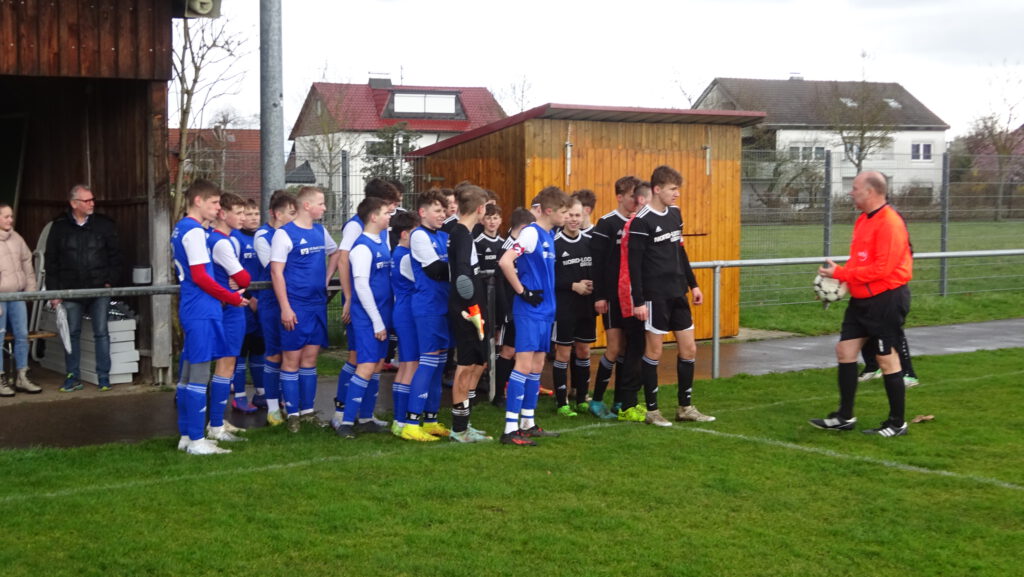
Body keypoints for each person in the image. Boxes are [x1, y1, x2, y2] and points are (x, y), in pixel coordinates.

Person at [810, 171, 913, 437]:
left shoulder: (890, 222)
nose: (851, 192)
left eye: (855, 188)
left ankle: (897, 423)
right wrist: (837, 284)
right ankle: (844, 416)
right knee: (845, 350)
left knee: (886, 359)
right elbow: (860, 262)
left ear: (870, 191)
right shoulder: (862, 220)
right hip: (862, 300)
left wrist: (841, 274)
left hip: (887, 299)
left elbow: (882, 269)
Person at [627, 165, 715, 426]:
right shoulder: (641, 221)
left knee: (689, 348)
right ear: (657, 189)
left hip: (678, 292)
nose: (677, 194)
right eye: (672, 189)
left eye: (678, 189)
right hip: (655, 296)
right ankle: (652, 411)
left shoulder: (675, 214)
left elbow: (680, 251)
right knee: (654, 351)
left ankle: (685, 407)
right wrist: (638, 301)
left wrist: (693, 284)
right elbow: (634, 265)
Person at [172, 179, 249, 455]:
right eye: (214, 202)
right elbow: (201, 277)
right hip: (201, 309)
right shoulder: (193, 231)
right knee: (198, 375)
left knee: (188, 375)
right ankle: (196, 440)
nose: (218, 208)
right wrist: (232, 297)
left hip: (195, 307)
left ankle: (186, 436)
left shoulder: (184, 228)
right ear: (198, 201)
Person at [497, 186, 570, 446]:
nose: (567, 216)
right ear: (549, 211)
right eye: (563, 211)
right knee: (524, 365)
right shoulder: (531, 233)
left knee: (537, 366)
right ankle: (509, 429)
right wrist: (523, 291)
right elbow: (505, 261)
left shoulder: (549, 235)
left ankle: (528, 422)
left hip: (545, 310)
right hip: (529, 310)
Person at [270, 186, 341, 433]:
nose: (324, 208)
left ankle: (308, 412)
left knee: (310, 360)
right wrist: (285, 307)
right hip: (296, 305)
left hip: (316, 305)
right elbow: (276, 272)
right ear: (307, 206)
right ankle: (292, 415)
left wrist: (326, 278)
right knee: (291, 360)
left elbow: (335, 253)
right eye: (321, 203)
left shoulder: (320, 231)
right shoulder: (284, 234)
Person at [334, 178, 401, 427]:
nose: (390, 214)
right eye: (386, 211)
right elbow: (360, 283)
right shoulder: (361, 243)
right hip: (368, 314)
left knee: (376, 365)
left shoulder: (380, 240)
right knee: (364, 364)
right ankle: (345, 419)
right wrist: (374, 320)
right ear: (373, 215)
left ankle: (366, 416)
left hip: (382, 311)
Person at [45, 184, 122, 392]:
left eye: (92, 199)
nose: (92, 204)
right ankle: (73, 376)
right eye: (87, 201)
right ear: (74, 203)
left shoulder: (104, 225)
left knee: (101, 332)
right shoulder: (59, 227)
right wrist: (55, 292)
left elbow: (116, 256)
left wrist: (109, 281)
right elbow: (51, 262)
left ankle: (104, 377)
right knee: (71, 333)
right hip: (70, 290)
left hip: (99, 289)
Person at [588, 176, 641, 418]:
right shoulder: (607, 223)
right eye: (631, 196)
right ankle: (597, 400)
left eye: (638, 196)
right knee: (614, 347)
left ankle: (621, 400)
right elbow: (597, 264)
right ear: (620, 197)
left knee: (627, 349)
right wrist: (600, 296)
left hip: (631, 297)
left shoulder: (639, 222)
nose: (636, 201)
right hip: (611, 297)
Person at [400, 189, 451, 442]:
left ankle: (430, 420)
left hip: (444, 306)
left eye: (444, 210)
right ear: (422, 212)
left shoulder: (443, 236)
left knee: (439, 365)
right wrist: (463, 269)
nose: (442, 215)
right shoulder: (419, 235)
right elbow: (435, 270)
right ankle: (411, 423)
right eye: (437, 210)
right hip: (428, 307)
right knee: (428, 362)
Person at [446, 184, 492, 443]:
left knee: (478, 363)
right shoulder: (461, 234)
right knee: (465, 366)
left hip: (472, 308)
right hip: (467, 311)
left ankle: (466, 424)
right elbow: (463, 276)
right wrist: (471, 309)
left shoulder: (463, 232)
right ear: (480, 208)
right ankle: (459, 429)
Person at [205, 192, 252, 443]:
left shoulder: (220, 238)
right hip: (229, 308)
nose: (243, 217)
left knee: (224, 365)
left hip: (225, 305)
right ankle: (215, 424)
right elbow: (243, 277)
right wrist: (238, 281)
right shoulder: (222, 242)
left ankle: (217, 421)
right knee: (225, 365)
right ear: (223, 214)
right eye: (239, 212)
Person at [254, 191, 297, 425]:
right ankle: (272, 408)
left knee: (292, 353)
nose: (294, 218)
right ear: (277, 214)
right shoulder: (263, 236)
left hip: (293, 299)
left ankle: (291, 405)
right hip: (271, 302)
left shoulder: (294, 232)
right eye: (291, 213)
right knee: (274, 353)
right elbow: (276, 267)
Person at [551, 196, 596, 417]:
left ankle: (582, 398)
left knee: (584, 350)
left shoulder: (589, 242)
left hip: (586, 307)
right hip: (564, 307)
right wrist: (572, 285)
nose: (574, 219)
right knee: (563, 352)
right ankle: (562, 402)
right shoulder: (555, 243)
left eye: (577, 215)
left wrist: (593, 284)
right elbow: (549, 279)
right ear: (563, 216)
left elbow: (597, 270)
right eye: (569, 215)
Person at [491, 208, 534, 408]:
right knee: (508, 350)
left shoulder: (521, 247)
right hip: (511, 308)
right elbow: (500, 284)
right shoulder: (507, 248)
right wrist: (505, 312)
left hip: (523, 306)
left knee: (520, 350)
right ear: (524, 228)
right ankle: (498, 394)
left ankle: (513, 389)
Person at [0, 204, 42, 396]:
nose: (11, 220)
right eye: (6, 216)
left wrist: (30, 291)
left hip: (17, 295)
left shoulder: (17, 238)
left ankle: (22, 376)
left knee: (22, 335)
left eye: (11, 216)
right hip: (1, 297)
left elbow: (27, 263)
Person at [388, 210, 421, 437]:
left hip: (402, 309)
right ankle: (401, 419)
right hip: (408, 312)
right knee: (411, 364)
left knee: (406, 364)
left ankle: (398, 419)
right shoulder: (406, 256)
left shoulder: (397, 253)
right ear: (405, 234)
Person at [231, 198, 264, 413]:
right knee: (241, 351)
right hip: (244, 303)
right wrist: (250, 298)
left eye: (256, 214)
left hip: (262, 302)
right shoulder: (236, 238)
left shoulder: (263, 237)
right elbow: (233, 274)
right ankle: (239, 397)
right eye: (248, 214)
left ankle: (261, 394)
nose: (252, 218)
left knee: (260, 349)